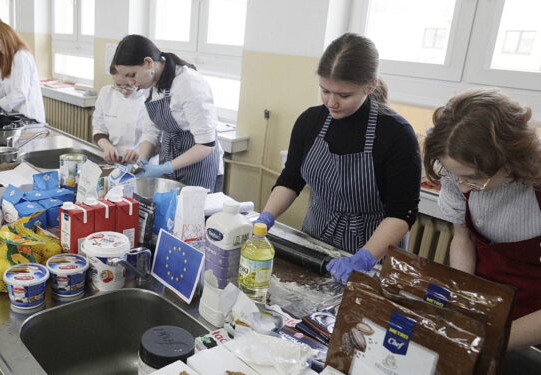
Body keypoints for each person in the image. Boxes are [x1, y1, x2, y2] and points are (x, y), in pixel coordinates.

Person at [256, 33, 421, 284]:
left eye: (344, 95)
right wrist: (266, 217)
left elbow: (402, 213)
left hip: (372, 247)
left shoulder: (396, 133)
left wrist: (364, 258)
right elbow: (291, 179)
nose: (331, 103)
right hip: (316, 237)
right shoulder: (310, 121)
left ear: (371, 86)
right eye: (324, 90)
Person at [422, 89, 541, 351]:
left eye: (474, 178)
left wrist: (490, 343)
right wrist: (460, 298)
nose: (463, 188)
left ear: (509, 162)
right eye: (456, 177)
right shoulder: (458, 175)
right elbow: (462, 237)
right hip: (485, 301)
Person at [111, 34, 224, 192]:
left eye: (132, 75)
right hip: (170, 160)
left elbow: (206, 145)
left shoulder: (188, 83)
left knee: (192, 213)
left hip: (198, 165)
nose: (130, 83)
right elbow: (151, 131)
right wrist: (142, 161)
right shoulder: (150, 83)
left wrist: (166, 167)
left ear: (149, 62)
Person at [0, 22, 45, 123]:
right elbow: (7, 86)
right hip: (20, 114)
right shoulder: (11, 57)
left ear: (6, 39)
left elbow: (20, 93)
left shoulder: (21, 57)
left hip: (29, 116)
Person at [92, 67, 152, 164]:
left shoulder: (151, 97)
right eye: (118, 85)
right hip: (115, 162)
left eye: (128, 86)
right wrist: (107, 146)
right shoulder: (106, 93)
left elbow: (160, 140)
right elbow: (99, 129)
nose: (124, 91)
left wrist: (140, 153)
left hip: (144, 163)